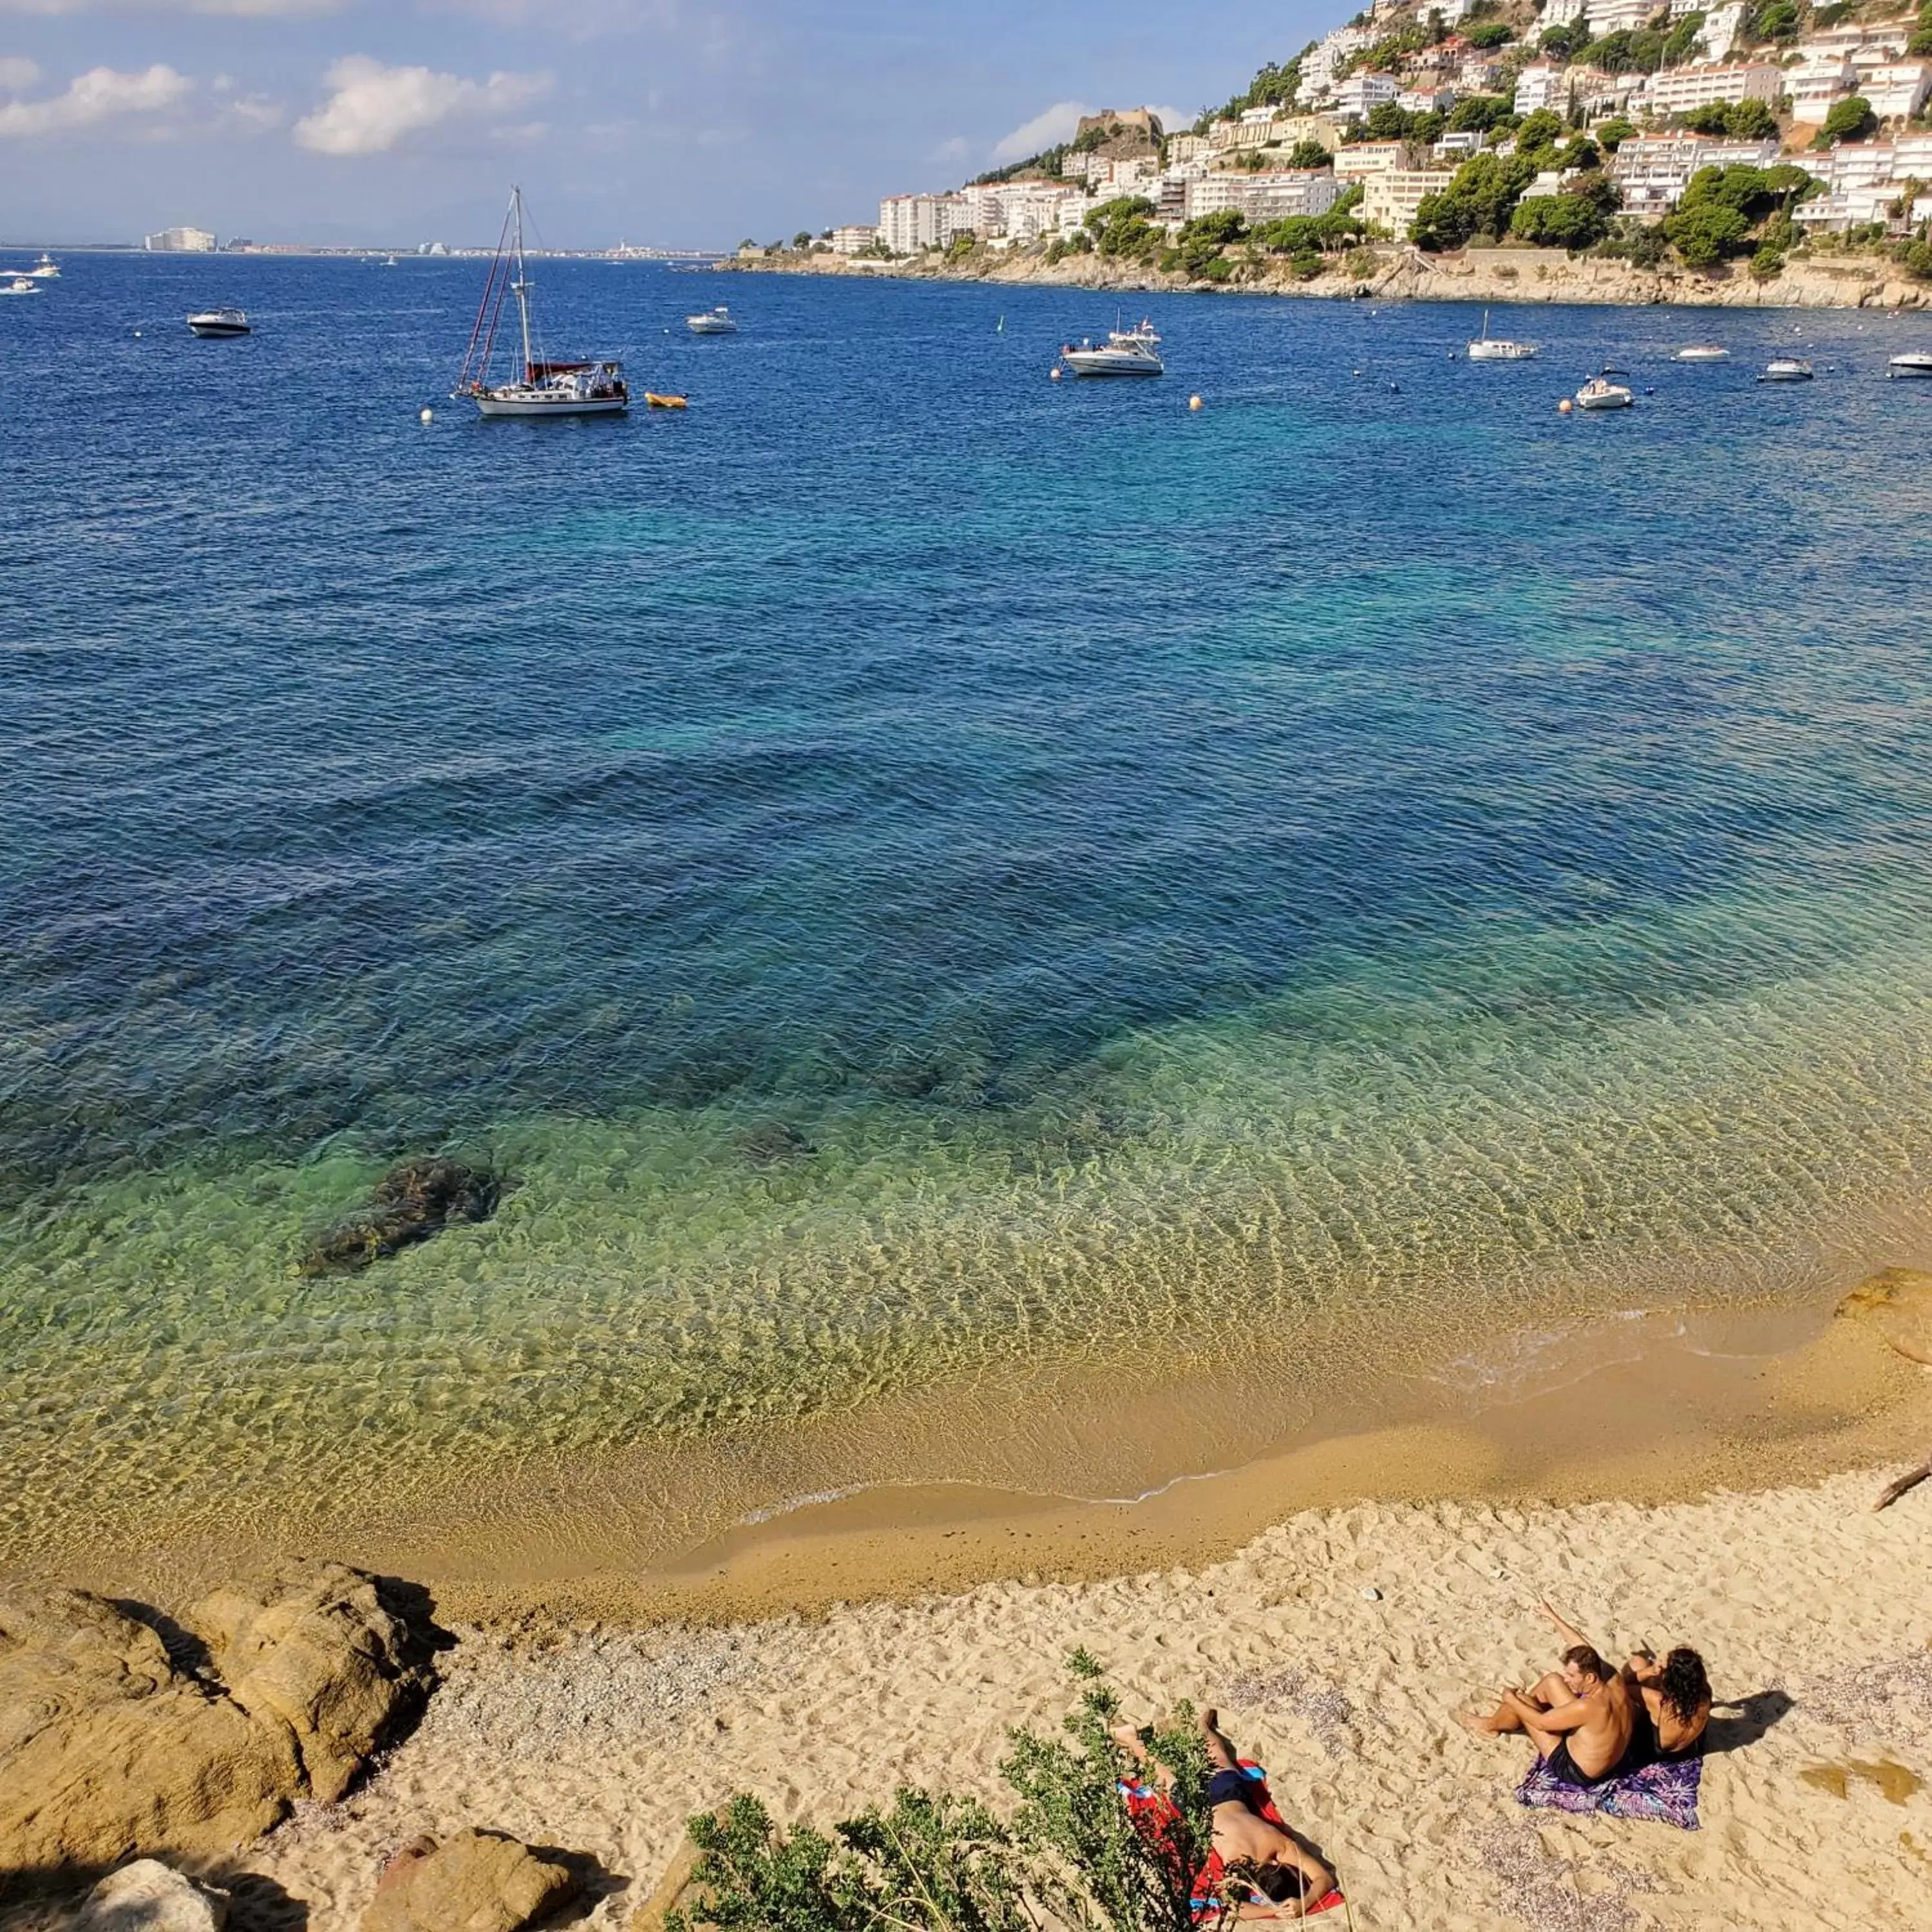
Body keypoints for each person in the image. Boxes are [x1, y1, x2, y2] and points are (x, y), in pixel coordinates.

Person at [1114, 1709, 1338, 1921]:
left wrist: (1306, 1899)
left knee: (1217, 1754)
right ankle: (1131, 1738)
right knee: (1161, 1771)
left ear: (1284, 1866)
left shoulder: (1278, 1845)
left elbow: (1322, 1878)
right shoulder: (1238, 1866)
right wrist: (1272, 1910)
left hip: (1229, 1793)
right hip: (1199, 1807)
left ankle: (1202, 1726)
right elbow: (1233, 1908)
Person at [1459, 1611, 1636, 1786]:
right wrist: (1552, 1616)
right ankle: (1509, 1716)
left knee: (1522, 1700)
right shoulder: (1614, 1680)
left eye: (1572, 1676)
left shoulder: (1587, 1707)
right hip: (1605, 1755)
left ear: (1590, 1678)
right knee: (1552, 1681)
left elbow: (1541, 1723)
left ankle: (1491, 1726)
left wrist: (1510, 1698)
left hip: (1578, 1771)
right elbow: (1581, 1645)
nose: (1567, 1679)